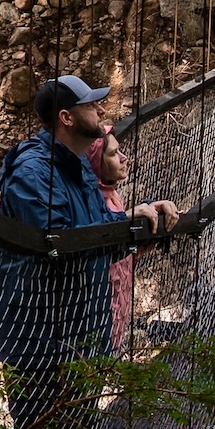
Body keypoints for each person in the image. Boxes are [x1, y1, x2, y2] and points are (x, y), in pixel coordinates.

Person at [0, 74, 177, 429]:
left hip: (81, 339)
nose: (102, 109)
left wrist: (144, 220)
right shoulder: (32, 171)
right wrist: (122, 222)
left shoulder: (76, 167)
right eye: (92, 105)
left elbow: (105, 229)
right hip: (41, 345)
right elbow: (60, 243)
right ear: (67, 118)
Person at [82, 130, 135, 337]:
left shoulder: (112, 195)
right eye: (113, 154)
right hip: (101, 305)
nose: (124, 158)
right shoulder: (93, 201)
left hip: (119, 299)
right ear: (95, 162)